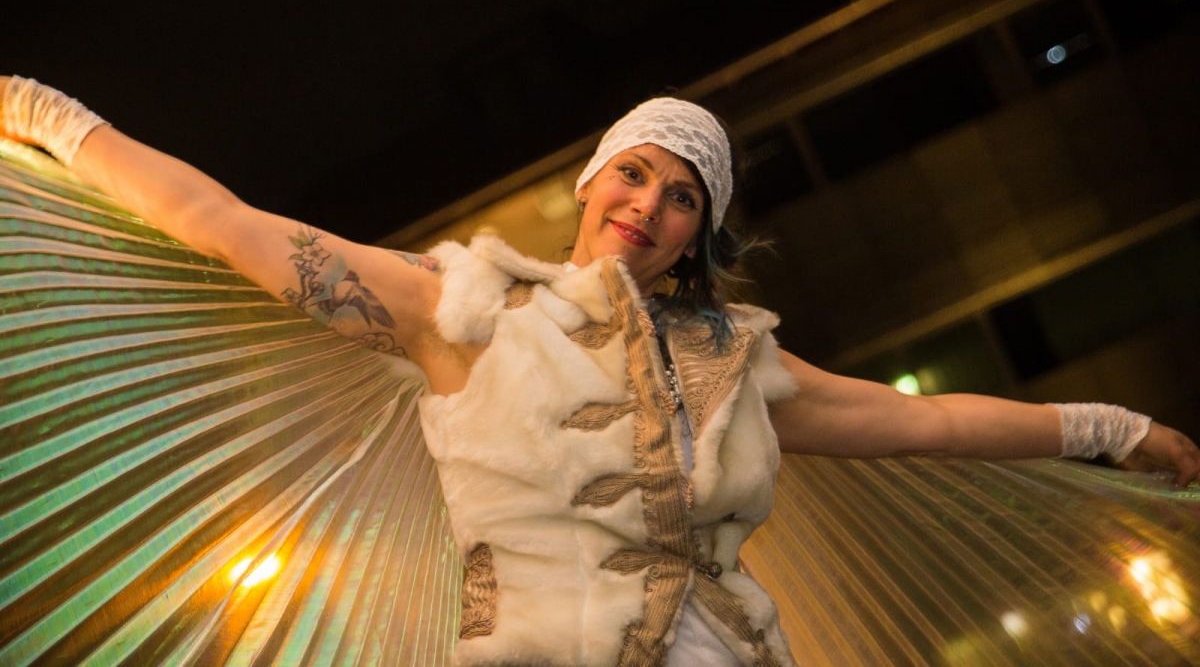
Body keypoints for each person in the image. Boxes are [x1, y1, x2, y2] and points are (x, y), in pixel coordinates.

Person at [2, 75, 1197, 667]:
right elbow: (228, 223)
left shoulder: (737, 360)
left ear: (696, 235)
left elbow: (923, 424)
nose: (649, 204)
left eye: (682, 197)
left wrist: (1103, 426)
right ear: (591, 182)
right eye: (634, 172)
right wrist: (53, 118)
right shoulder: (465, 306)